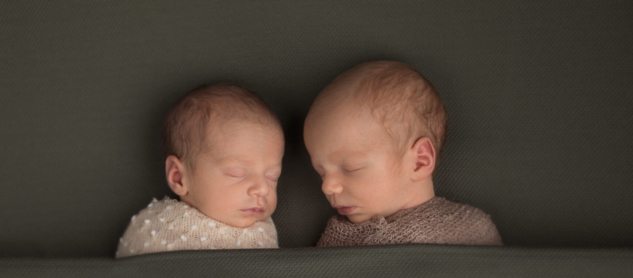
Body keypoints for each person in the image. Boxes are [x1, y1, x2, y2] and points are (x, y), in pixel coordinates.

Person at [304, 61, 502, 247]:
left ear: (419, 162)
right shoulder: (338, 237)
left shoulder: (471, 230)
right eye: (321, 173)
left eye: (351, 168)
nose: (327, 187)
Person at [116, 84, 284, 257]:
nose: (263, 189)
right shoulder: (155, 230)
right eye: (237, 173)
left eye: (272, 176)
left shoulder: (263, 234)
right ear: (178, 177)